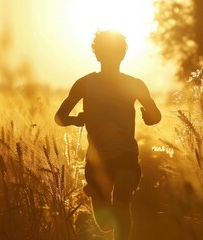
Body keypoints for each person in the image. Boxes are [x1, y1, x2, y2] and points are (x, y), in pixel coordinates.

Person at [55, 30, 161, 240]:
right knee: (105, 225)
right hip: (97, 159)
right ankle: (94, 191)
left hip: (126, 155)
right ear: (98, 55)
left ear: (122, 55)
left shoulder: (135, 84)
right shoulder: (84, 84)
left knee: (122, 201)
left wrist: (149, 117)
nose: (111, 56)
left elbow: (156, 115)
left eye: (115, 52)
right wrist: (77, 120)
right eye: (107, 52)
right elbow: (59, 117)